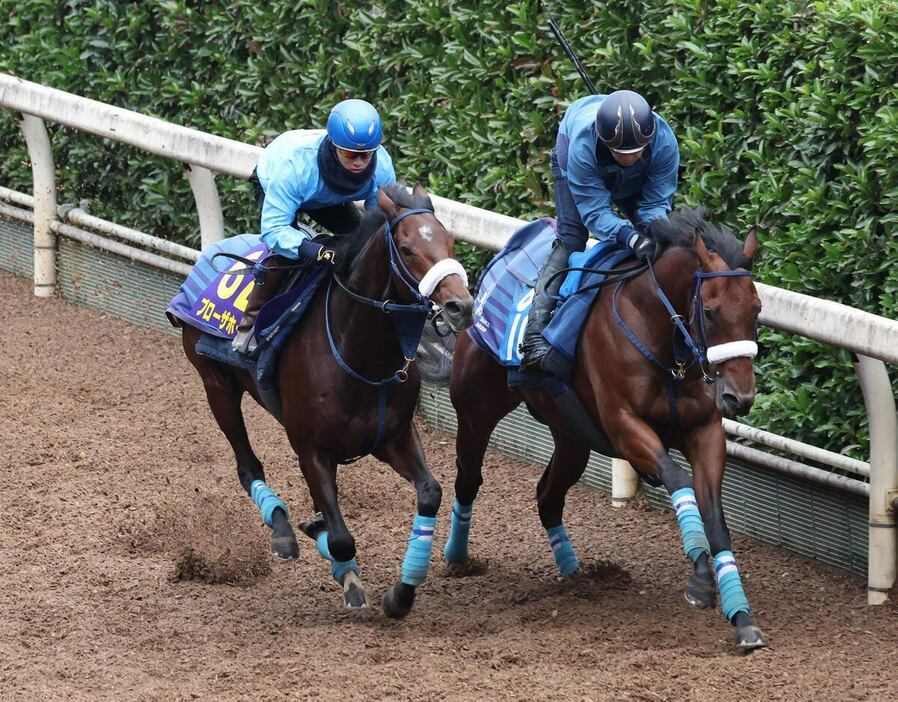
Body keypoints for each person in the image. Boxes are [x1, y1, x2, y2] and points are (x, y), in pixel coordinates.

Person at [518, 89, 679, 370]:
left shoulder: (664, 143)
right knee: (572, 239)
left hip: (623, 158)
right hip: (574, 154)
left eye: (636, 152)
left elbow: (655, 202)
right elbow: (595, 213)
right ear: (606, 143)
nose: (628, 158)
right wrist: (628, 238)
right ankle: (534, 335)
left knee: (655, 236)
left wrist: (650, 232)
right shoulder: (582, 146)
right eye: (620, 153)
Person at [233, 98, 397, 353]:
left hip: (328, 197)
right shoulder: (293, 167)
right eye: (350, 154)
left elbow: (379, 225)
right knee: (285, 255)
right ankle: (249, 327)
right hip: (279, 183)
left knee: (362, 246)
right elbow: (274, 231)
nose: (359, 163)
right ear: (333, 146)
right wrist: (317, 251)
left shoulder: (382, 166)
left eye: (366, 155)